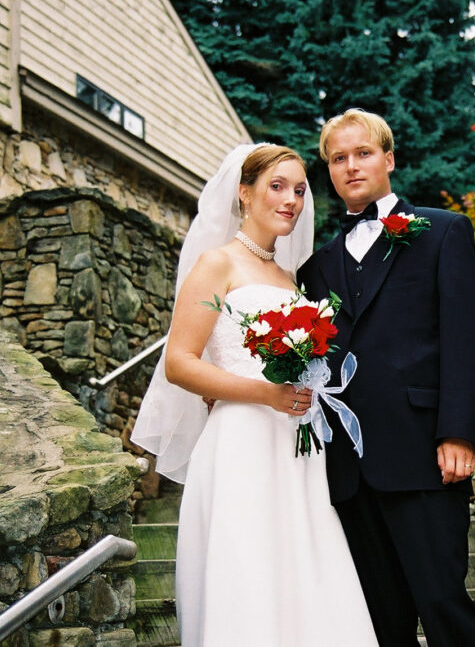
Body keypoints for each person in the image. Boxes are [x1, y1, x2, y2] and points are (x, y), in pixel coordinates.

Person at [131, 144, 377, 646]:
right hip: (242, 440)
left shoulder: (292, 278)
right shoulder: (215, 265)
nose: (291, 200)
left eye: (301, 190)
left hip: (297, 444)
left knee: (304, 566)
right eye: (277, 186)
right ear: (244, 193)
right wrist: (264, 394)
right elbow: (179, 362)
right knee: (246, 568)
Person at [298, 109, 475, 646]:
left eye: (362, 153)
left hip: (423, 454)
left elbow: (469, 339)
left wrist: (458, 432)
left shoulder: (442, 232)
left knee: (443, 605)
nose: (351, 166)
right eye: (338, 158)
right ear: (329, 171)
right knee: (380, 623)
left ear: (388, 159)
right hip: (347, 470)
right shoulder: (316, 268)